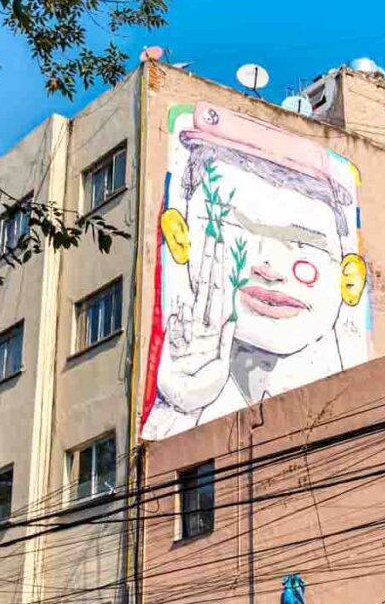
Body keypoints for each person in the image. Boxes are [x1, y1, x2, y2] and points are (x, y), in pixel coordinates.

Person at [140, 101, 370, 441]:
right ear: (179, 235)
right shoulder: (182, 395)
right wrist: (180, 403)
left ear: (350, 278)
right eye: (233, 228)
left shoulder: (358, 411)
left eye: (304, 242)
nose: (270, 268)